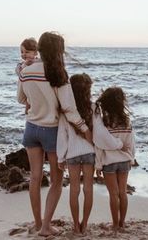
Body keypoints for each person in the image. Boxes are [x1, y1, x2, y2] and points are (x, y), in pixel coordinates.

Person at [17, 32, 92, 236]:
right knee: (56, 181)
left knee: (34, 178)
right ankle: (45, 227)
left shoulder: (26, 71)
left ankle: (37, 222)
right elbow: (69, 108)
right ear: (57, 51)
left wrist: (34, 102)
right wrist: (84, 129)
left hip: (31, 128)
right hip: (51, 131)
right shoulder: (57, 74)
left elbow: (20, 98)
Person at [57, 73, 95, 235]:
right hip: (89, 153)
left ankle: (75, 225)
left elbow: (62, 136)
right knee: (88, 189)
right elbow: (98, 133)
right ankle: (85, 224)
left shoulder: (66, 111)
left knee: (74, 190)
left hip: (72, 154)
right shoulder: (93, 108)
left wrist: (60, 156)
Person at [93, 87, 135, 233]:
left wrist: (98, 165)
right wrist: (131, 158)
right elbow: (131, 143)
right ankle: (122, 223)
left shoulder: (104, 121)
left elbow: (99, 145)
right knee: (123, 192)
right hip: (124, 161)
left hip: (109, 162)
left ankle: (115, 224)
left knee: (113, 194)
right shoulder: (127, 120)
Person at [16, 38, 38, 114]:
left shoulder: (38, 63)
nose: (24, 54)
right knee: (28, 100)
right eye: (22, 52)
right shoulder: (21, 64)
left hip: (36, 87)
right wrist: (25, 65)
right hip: (27, 88)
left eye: (27, 52)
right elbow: (18, 72)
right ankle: (28, 110)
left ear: (35, 53)